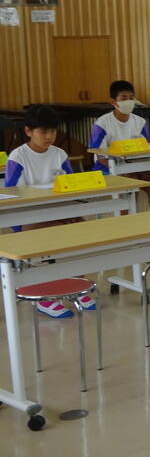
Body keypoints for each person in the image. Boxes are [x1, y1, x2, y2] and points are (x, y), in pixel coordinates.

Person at [4, 106, 95, 318]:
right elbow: (11, 194)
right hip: (29, 216)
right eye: (43, 132)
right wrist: (18, 228)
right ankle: (44, 298)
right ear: (28, 131)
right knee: (45, 244)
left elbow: (72, 184)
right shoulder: (18, 158)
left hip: (59, 211)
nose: (49, 136)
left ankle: (75, 284)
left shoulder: (59, 154)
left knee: (83, 234)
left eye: (53, 131)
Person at [89, 80, 149, 173]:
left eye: (131, 98)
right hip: (107, 168)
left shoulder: (141, 122)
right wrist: (122, 170)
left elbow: (146, 149)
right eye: (124, 98)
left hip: (134, 166)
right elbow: (100, 156)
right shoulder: (101, 124)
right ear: (113, 102)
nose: (129, 101)